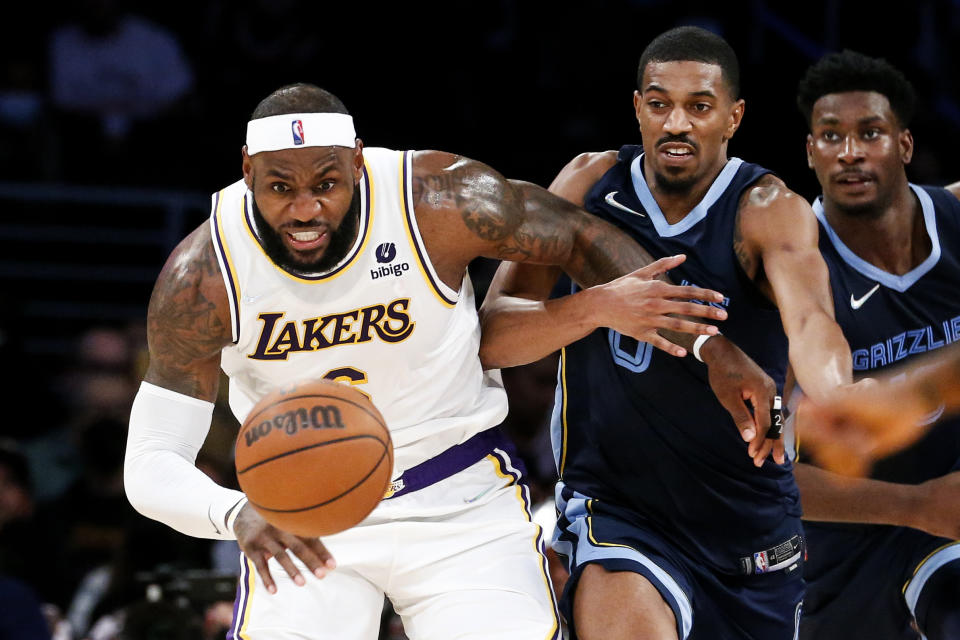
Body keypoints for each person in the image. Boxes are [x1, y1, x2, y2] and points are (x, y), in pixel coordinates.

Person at [123, 82, 728, 639]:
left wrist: (706, 349)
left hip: (457, 498)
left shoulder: (437, 199)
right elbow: (149, 463)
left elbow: (575, 234)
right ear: (248, 171)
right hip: (300, 517)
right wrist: (235, 513)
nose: (305, 210)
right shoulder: (203, 275)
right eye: (281, 187)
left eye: (326, 184)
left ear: (359, 162)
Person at [479, 26, 855, 639]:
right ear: (637, 108)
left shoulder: (766, 209)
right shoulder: (588, 185)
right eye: (660, 104)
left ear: (732, 117)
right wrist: (599, 307)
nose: (676, 124)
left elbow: (812, 322)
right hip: (617, 515)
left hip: (750, 530)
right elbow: (492, 335)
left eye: (699, 107)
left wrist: (839, 395)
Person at [788, 50, 960, 640]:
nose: (850, 152)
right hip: (851, 536)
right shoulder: (788, 267)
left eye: (870, 133)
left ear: (905, 145)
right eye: (830, 136)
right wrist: (915, 505)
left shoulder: (957, 218)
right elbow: (766, 476)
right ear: (811, 153)